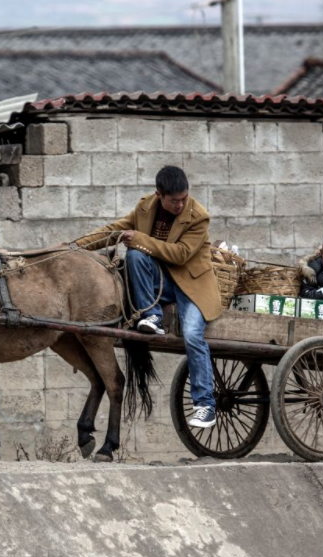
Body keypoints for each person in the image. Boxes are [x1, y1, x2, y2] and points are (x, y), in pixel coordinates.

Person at [73, 165, 222, 428]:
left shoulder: (198, 216)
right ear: (159, 195)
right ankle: (150, 315)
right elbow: (114, 229)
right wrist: (73, 246)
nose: (180, 204)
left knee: (192, 335)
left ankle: (206, 405)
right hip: (159, 284)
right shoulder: (146, 208)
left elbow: (180, 255)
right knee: (135, 255)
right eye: (174, 200)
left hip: (191, 285)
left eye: (183, 199)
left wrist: (140, 239)